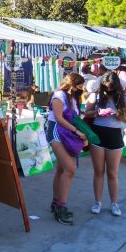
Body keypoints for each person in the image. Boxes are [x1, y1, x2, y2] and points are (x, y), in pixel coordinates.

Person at [84, 71, 126, 217]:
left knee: (112, 173)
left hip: (114, 135)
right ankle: (97, 202)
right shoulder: (95, 95)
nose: (108, 90)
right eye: (105, 87)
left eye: (111, 87)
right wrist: (98, 112)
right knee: (98, 171)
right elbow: (86, 113)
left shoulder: (123, 98)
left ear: (116, 86)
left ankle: (114, 203)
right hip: (97, 134)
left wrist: (116, 113)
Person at [47, 73, 88, 225]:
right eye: (80, 85)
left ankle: (56, 202)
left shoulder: (73, 98)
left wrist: (83, 134)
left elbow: (74, 118)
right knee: (69, 169)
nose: (81, 88)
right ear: (72, 84)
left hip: (67, 133)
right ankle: (61, 207)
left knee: (62, 170)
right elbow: (58, 118)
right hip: (57, 132)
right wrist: (77, 132)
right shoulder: (59, 95)